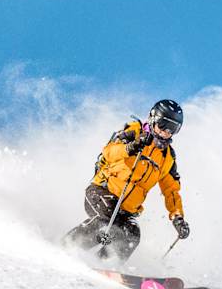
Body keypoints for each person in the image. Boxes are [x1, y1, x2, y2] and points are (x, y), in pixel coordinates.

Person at [63, 99, 191, 262]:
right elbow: (109, 152)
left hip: (127, 209)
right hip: (103, 191)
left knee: (132, 234)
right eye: (163, 124)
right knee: (106, 219)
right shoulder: (134, 132)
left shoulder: (167, 158)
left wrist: (177, 217)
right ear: (153, 118)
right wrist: (131, 147)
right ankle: (69, 247)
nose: (166, 132)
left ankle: (106, 265)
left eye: (173, 128)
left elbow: (171, 190)